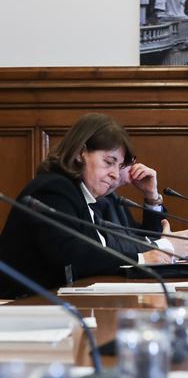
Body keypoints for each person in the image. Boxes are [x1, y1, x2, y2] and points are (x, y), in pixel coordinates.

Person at [0, 113, 172, 298]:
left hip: (50, 302)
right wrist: (141, 259)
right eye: (108, 162)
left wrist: (151, 197)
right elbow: (72, 253)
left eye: (119, 166)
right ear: (80, 153)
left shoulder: (84, 196)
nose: (115, 174)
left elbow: (126, 242)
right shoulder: (54, 189)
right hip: (19, 305)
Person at [98, 161, 188, 257]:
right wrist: (169, 245)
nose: (132, 167)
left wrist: (151, 196)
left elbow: (143, 237)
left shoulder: (112, 198)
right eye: (111, 161)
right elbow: (114, 247)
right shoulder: (102, 200)